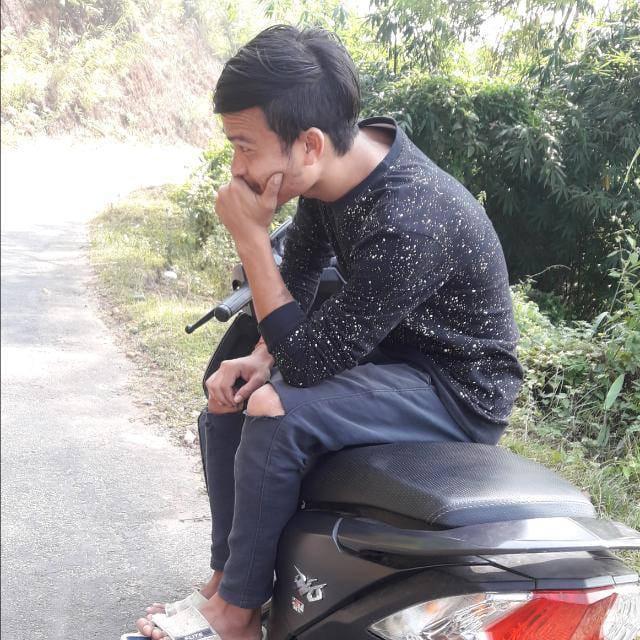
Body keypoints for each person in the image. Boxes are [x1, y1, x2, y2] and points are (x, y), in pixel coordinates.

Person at [135, 24, 523, 640]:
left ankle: (237, 617)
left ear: (309, 144)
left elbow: (309, 364)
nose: (236, 167)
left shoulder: (409, 217)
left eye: (244, 147)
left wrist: (250, 237)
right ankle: (227, 580)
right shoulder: (330, 178)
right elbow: (301, 277)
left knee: (275, 411)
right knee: (232, 392)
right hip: (386, 355)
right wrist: (261, 355)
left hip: (454, 389)